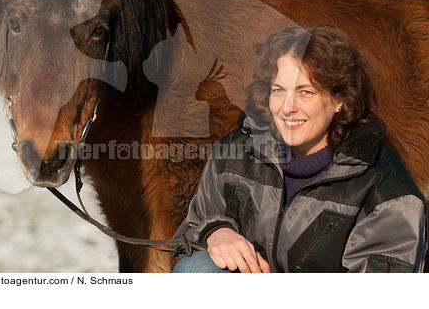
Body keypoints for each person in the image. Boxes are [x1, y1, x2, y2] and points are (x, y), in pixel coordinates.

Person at [173, 24, 427, 273]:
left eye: (305, 92)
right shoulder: (236, 152)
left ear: (339, 99)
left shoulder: (386, 190)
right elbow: (190, 231)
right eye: (279, 90)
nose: (287, 107)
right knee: (195, 268)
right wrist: (216, 232)